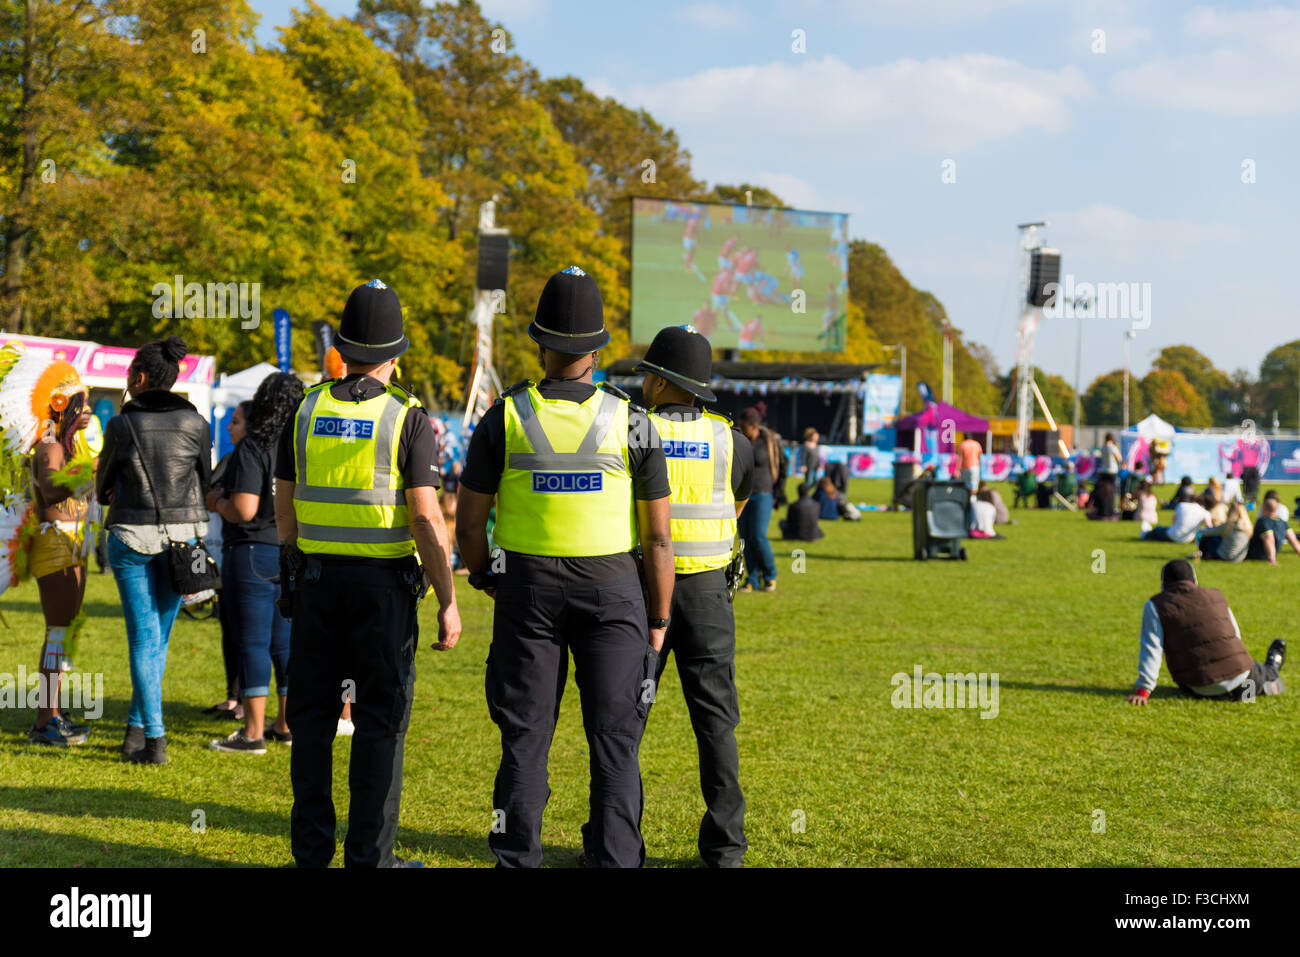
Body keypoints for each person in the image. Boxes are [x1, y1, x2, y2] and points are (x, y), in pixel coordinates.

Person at [455, 265, 673, 868]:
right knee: (615, 744)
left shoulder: (503, 416)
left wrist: (482, 574)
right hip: (614, 589)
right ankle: (615, 858)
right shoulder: (633, 419)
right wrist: (658, 617)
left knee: (525, 739)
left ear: (539, 341)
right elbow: (659, 539)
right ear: (599, 346)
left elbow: (470, 524)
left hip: (526, 588)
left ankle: (517, 857)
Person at [275, 279, 461, 868]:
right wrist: (448, 596)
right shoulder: (408, 417)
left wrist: (292, 559)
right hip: (383, 590)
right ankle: (369, 860)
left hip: (314, 584)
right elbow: (427, 519)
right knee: (378, 725)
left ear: (343, 346)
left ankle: (311, 855)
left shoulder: (306, 407)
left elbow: (284, 495)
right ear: (395, 353)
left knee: (310, 723)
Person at [634, 325, 754, 867]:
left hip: (639, 593)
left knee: (623, 722)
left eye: (646, 375)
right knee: (715, 722)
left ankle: (613, 842)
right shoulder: (734, 440)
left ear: (660, 382)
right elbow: (739, 502)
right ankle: (725, 850)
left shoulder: (632, 432)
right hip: (708, 594)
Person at [97, 336, 212, 765]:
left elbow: (102, 490)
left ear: (140, 377)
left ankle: (154, 742)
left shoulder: (122, 425)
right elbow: (206, 477)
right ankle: (135, 730)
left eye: (129, 374)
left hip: (131, 537)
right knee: (157, 641)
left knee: (145, 641)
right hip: (183, 540)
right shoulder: (196, 422)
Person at [207, 373, 304, 754]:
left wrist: (216, 502)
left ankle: (252, 733)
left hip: (250, 554)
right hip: (290, 551)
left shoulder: (254, 445)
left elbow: (244, 509)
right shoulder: (301, 445)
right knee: (284, 644)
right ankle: (284, 724)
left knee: (252, 645)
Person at [13, 358, 98, 745]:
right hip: (54, 544)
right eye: (83, 403)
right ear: (64, 407)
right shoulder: (48, 444)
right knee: (58, 633)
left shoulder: (65, 444)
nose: (89, 411)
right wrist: (93, 469)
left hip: (70, 544)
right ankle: (44, 722)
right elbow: (50, 490)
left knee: (66, 633)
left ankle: (54, 714)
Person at [1126, 559, 1285, 704]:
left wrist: (1143, 690)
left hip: (1198, 688)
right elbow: (1235, 635)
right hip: (1241, 680)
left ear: (1163, 584)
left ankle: (1253, 687)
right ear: (1194, 580)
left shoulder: (1156, 605)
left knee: (1245, 676)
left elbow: (1151, 648)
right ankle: (1271, 671)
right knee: (1260, 671)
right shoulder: (1216, 595)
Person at [203, 400, 250, 722]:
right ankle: (234, 698)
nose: (230, 427)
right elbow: (206, 491)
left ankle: (248, 706)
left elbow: (234, 507)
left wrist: (219, 501)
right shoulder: (230, 459)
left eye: (235, 421)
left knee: (252, 635)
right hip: (227, 554)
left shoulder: (257, 458)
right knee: (230, 629)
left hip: (251, 557)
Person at [736, 407, 780, 592]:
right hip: (742, 494)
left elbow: (781, 467)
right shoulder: (740, 440)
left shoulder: (768, 441)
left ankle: (770, 575)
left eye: (744, 426)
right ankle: (752, 579)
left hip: (763, 492)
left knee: (758, 536)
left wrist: (779, 493)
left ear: (754, 426)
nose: (741, 429)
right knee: (745, 537)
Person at [1245, 492, 1300, 564]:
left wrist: (1272, 559)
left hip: (1256, 555)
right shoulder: (1283, 522)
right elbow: (1294, 541)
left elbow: (1269, 539)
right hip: (1270, 553)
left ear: (1264, 508)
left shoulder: (1263, 521)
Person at [1142, 491, 1213, 543]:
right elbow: (1209, 528)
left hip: (1172, 535)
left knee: (1158, 529)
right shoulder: (1205, 513)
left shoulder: (1181, 505)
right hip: (1188, 539)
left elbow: (1173, 522)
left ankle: (1145, 534)